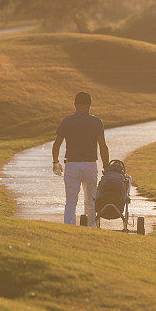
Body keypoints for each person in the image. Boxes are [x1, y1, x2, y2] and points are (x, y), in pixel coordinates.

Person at [52, 91, 109, 227]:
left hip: (72, 165)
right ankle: (90, 228)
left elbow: (57, 144)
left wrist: (55, 162)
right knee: (90, 201)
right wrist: (106, 167)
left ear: (75, 105)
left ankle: (69, 228)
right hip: (89, 166)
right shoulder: (96, 122)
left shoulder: (67, 121)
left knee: (71, 201)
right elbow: (103, 146)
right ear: (89, 105)